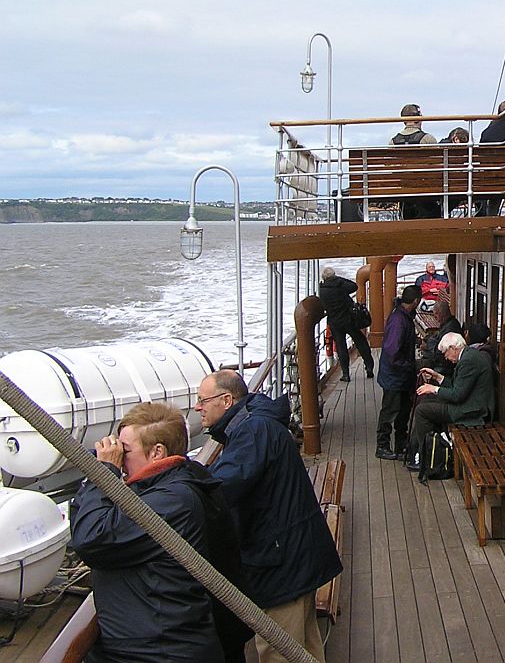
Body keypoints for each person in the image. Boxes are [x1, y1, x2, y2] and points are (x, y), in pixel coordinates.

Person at [70, 402, 242, 663]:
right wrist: (100, 476)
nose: (119, 459)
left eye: (126, 451)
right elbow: (85, 526)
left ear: (157, 452)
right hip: (157, 644)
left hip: (162, 651)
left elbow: (91, 540)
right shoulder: (172, 484)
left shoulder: (171, 501)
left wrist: (104, 472)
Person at [196, 370, 342, 663]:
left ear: (227, 400)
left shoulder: (252, 433)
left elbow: (221, 488)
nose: (198, 407)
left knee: (279, 651)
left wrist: (182, 480)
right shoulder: (255, 424)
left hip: (280, 563)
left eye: (202, 400)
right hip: (295, 553)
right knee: (305, 646)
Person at [408, 332, 495, 469]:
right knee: (426, 401)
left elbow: (457, 395)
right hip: (469, 404)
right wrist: (437, 377)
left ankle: (425, 457)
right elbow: (457, 386)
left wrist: (434, 389)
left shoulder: (468, 361)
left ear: (453, 348)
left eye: (445, 353)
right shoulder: (468, 356)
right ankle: (420, 451)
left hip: (472, 410)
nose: (445, 357)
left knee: (422, 410)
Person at [376, 284, 422, 460]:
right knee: (390, 411)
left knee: (403, 411)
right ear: (416, 301)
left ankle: (401, 444)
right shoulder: (399, 321)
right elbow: (392, 350)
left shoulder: (402, 317)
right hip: (394, 376)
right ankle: (382, 446)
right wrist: (408, 366)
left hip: (399, 375)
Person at [318, 266, 374, 380]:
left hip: (334, 322)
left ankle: (345, 374)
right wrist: (339, 279)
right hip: (349, 319)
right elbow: (354, 286)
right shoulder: (340, 285)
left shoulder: (322, 290)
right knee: (361, 341)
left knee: (341, 347)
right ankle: (369, 367)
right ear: (334, 276)